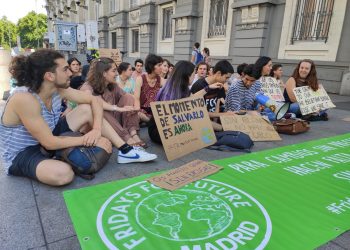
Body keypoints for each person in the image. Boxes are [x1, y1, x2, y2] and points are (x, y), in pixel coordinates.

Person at [0, 49, 153, 187]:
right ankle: (62, 157)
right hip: (24, 153)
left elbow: (93, 101)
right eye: (65, 69)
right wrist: (89, 139)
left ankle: (125, 151)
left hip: (50, 135)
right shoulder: (24, 98)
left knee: (86, 109)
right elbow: (49, 142)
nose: (71, 72)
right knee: (64, 175)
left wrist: (97, 130)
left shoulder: (58, 89)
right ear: (49, 76)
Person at [80, 57, 149, 148]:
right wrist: (118, 108)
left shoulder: (112, 85)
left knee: (128, 97)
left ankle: (133, 133)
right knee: (100, 109)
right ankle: (126, 138)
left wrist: (136, 107)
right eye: (114, 71)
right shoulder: (87, 87)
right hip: (97, 127)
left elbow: (130, 96)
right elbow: (96, 103)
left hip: (114, 121)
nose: (117, 74)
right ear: (104, 73)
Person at [148, 60, 223, 143]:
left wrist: (208, 88)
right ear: (187, 76)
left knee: (197, 120)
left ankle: (223, 128)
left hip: (173, 128)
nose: (194, 76)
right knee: (196, 126)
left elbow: (192, 99)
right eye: (193, 74)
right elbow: (168, 121)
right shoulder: (169, 93)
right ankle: (222, 129)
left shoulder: (184, 89)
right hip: (159, 131)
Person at [190, 60, 234, 131]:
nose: (227, 80)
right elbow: (199, 113)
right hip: (200, 125)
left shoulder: (220, 85)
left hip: (213, 124)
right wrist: (224, 114)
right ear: (219, 73)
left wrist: (215, 122)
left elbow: (217, 105)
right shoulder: (199, 85)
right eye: (226, 77)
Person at [134, 54, 165, 123]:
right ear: (151, 66)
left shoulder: (161, 80)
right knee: (138, 115)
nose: (162, 68)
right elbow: (136, 98)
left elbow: (169, 93)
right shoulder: (140, 79)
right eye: (159, 65)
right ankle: (151, 122)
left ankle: (151, 122)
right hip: (142, 111)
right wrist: (137, 111)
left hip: (156, 111)